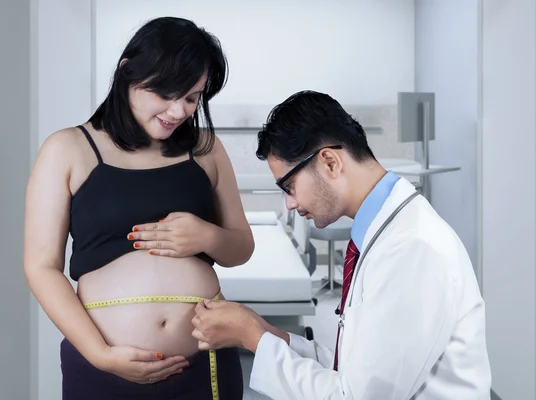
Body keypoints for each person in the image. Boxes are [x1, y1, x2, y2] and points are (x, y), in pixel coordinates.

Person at [191, 90, 492, 399]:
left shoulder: (411, 248)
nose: (289, 204)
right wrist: (264, 332)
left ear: (330, 162)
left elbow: (355, 395)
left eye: (289, 187)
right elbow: (351, 366)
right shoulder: (381, 235)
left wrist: (252, 337)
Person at [23, 17, 254, 400]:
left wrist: (207, 235)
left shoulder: (207, 148)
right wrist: (101, 354)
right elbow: (40, 266)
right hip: (106, 364)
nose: (179, 110)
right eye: (167, 93)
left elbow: (241, 247)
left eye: (192, 97)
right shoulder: (67, 149)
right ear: (127, 71)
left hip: (205, 362)